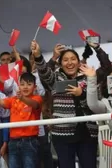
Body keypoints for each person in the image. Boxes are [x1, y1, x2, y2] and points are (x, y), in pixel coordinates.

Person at [32, 40, 98, 168]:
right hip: (62, 133)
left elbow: (96, 104)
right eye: (65, 60)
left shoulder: (88, 77)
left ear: (79, 62)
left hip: (88, 132)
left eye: (73, 59)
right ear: (60, 64)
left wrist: (82, 94)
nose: (70, 62)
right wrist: (38, 56)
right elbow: (44, 72)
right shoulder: (55, 78)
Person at [0, 72, 43, 168]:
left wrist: (22, 98)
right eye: (22, 84)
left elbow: (34, 104)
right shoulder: (13, 99)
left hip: (30, 141)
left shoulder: (37, 98)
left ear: (35, 87)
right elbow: (0, 102)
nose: (25, 87)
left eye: (29, 84)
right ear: (18, 86)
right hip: (13, 141)